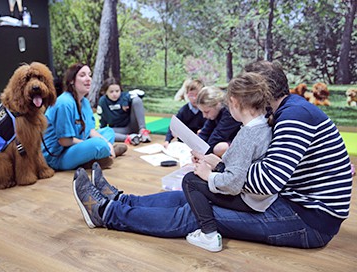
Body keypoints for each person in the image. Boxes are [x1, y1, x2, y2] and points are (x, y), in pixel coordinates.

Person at [72, 60, 352, 250]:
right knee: (194, 196)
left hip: (308, 219)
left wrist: (216, 173)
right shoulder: (286, 112)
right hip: (286, 201)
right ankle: (121, 200)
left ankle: (107, 213)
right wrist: (219, 168)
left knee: (197, 213)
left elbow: (267, 181)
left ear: (261, 92)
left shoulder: (294, 116)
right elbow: (264, 172)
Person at [182, 72, 275, 252]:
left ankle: (208, 235)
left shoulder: (247, 135)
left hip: (250, 200)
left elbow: (233, 183)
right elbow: (240, 165)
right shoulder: (262, 124)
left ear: (233, 102)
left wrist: (208, 175)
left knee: (190, 181)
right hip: (261, 197)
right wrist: (213, 162)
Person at [42, 63, 127, 171]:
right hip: (57, 156)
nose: (88, 79)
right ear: (72, 80)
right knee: (98, 144)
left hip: (75, 145)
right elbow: (64, 141)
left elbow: (90, 130)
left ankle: (102, 153)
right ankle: (101, 154)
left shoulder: (85, 102)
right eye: (82, 75)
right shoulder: (64, 103)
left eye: (89, 75)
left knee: (108, 132)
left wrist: (106, 142)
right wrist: (94, 144)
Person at [97, 77, 151, 146]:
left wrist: (125, 101)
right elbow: (102, 118)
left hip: (131, 125)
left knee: (136, 100)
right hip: (119, 129)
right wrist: (102, 130)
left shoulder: (125, 96)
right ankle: (131, 138)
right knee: (101, 133)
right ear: (105, 92)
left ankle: (143, 131)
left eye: (117, 91)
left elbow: (141, 94)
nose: (114, 94)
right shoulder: (102, 101)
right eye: (111, 92)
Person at [196, 86, 242, 157]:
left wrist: (203, 154)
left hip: (240, 142)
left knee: (219, 148)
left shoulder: (229, 113)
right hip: (228, 139)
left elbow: (218, 135)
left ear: (217, 104)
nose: (204, 116)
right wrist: (196, 147)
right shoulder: (215, 112)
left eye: (206, 112)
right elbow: (205, 132)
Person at [163, 79, 206, 149]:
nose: (194, 98)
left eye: (197, 95)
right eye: (191, 95)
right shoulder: (184, 110)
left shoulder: (205, 110)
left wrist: (203, 131)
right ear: (187, 94)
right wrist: (167, 140)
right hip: (185, 142)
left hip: (201, 141)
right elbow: (174, 126)